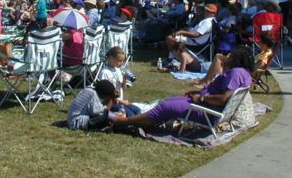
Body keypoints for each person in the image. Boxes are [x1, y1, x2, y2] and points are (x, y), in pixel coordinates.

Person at [112, 46, 254, 130]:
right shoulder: (244, 73)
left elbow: (222, 99)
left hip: (208, 112)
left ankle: (123, 122)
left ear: (237, 59)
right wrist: (199, 93)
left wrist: (202, 97)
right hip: (207, 107)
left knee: (165, 107)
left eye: (232, 56)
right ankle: (142, 118)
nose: (228, 57)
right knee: (167, 102)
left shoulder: (235, 73)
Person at [96, 46, 140, 116]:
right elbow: (106, 96)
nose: (122, 63)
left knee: (137, 110)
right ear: (111, 58)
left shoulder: (118, 70)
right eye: (119, 60)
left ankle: (136, 124)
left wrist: (124, 78)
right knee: (130, 114)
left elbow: (124, 88)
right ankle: (131, 125)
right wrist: (122, 102)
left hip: (119, 101)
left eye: (123, 60)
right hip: (111, 103)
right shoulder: (104, 72)